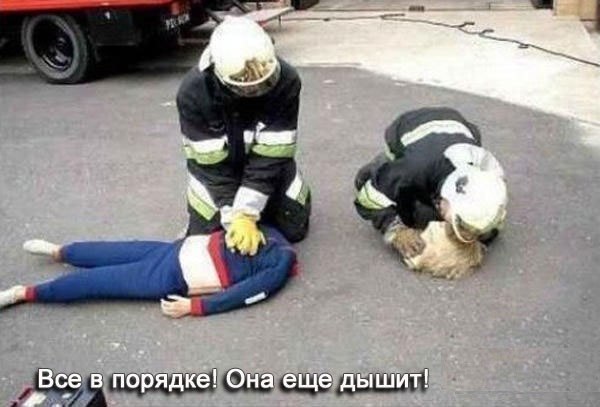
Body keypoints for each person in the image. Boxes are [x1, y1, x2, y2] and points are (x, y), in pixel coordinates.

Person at [176, 16, 311, 256]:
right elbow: (211, 167)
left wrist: (247, 212)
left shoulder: (287, 80)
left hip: (268, 166)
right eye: (247, 87)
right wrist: (233, 217)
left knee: (294, 228)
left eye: (264, 83)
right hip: (215, 175)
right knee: (209, 242)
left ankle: (275, 196)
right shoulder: (193, 93)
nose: (257, 91)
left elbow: (273, 153)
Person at [0, 227, 298, 318]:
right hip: (176, 249)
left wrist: (196, 307)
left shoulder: (280, 263)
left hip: (176, 274)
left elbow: (246, 294)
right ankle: (59, 251)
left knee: (98, 281)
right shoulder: (269, 229)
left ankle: (24, 293)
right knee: (108, 251)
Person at [354, 107, 508, 258]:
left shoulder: (489, 178)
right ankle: (381, 169)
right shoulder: (413, 168)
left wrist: (477, 239)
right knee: (402, 203)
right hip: (410, 127)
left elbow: (489, 225)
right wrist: (396, 231)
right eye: (459, 223)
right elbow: (368, 200)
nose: (461, 231)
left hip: (459, 126)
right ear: (448, 196)